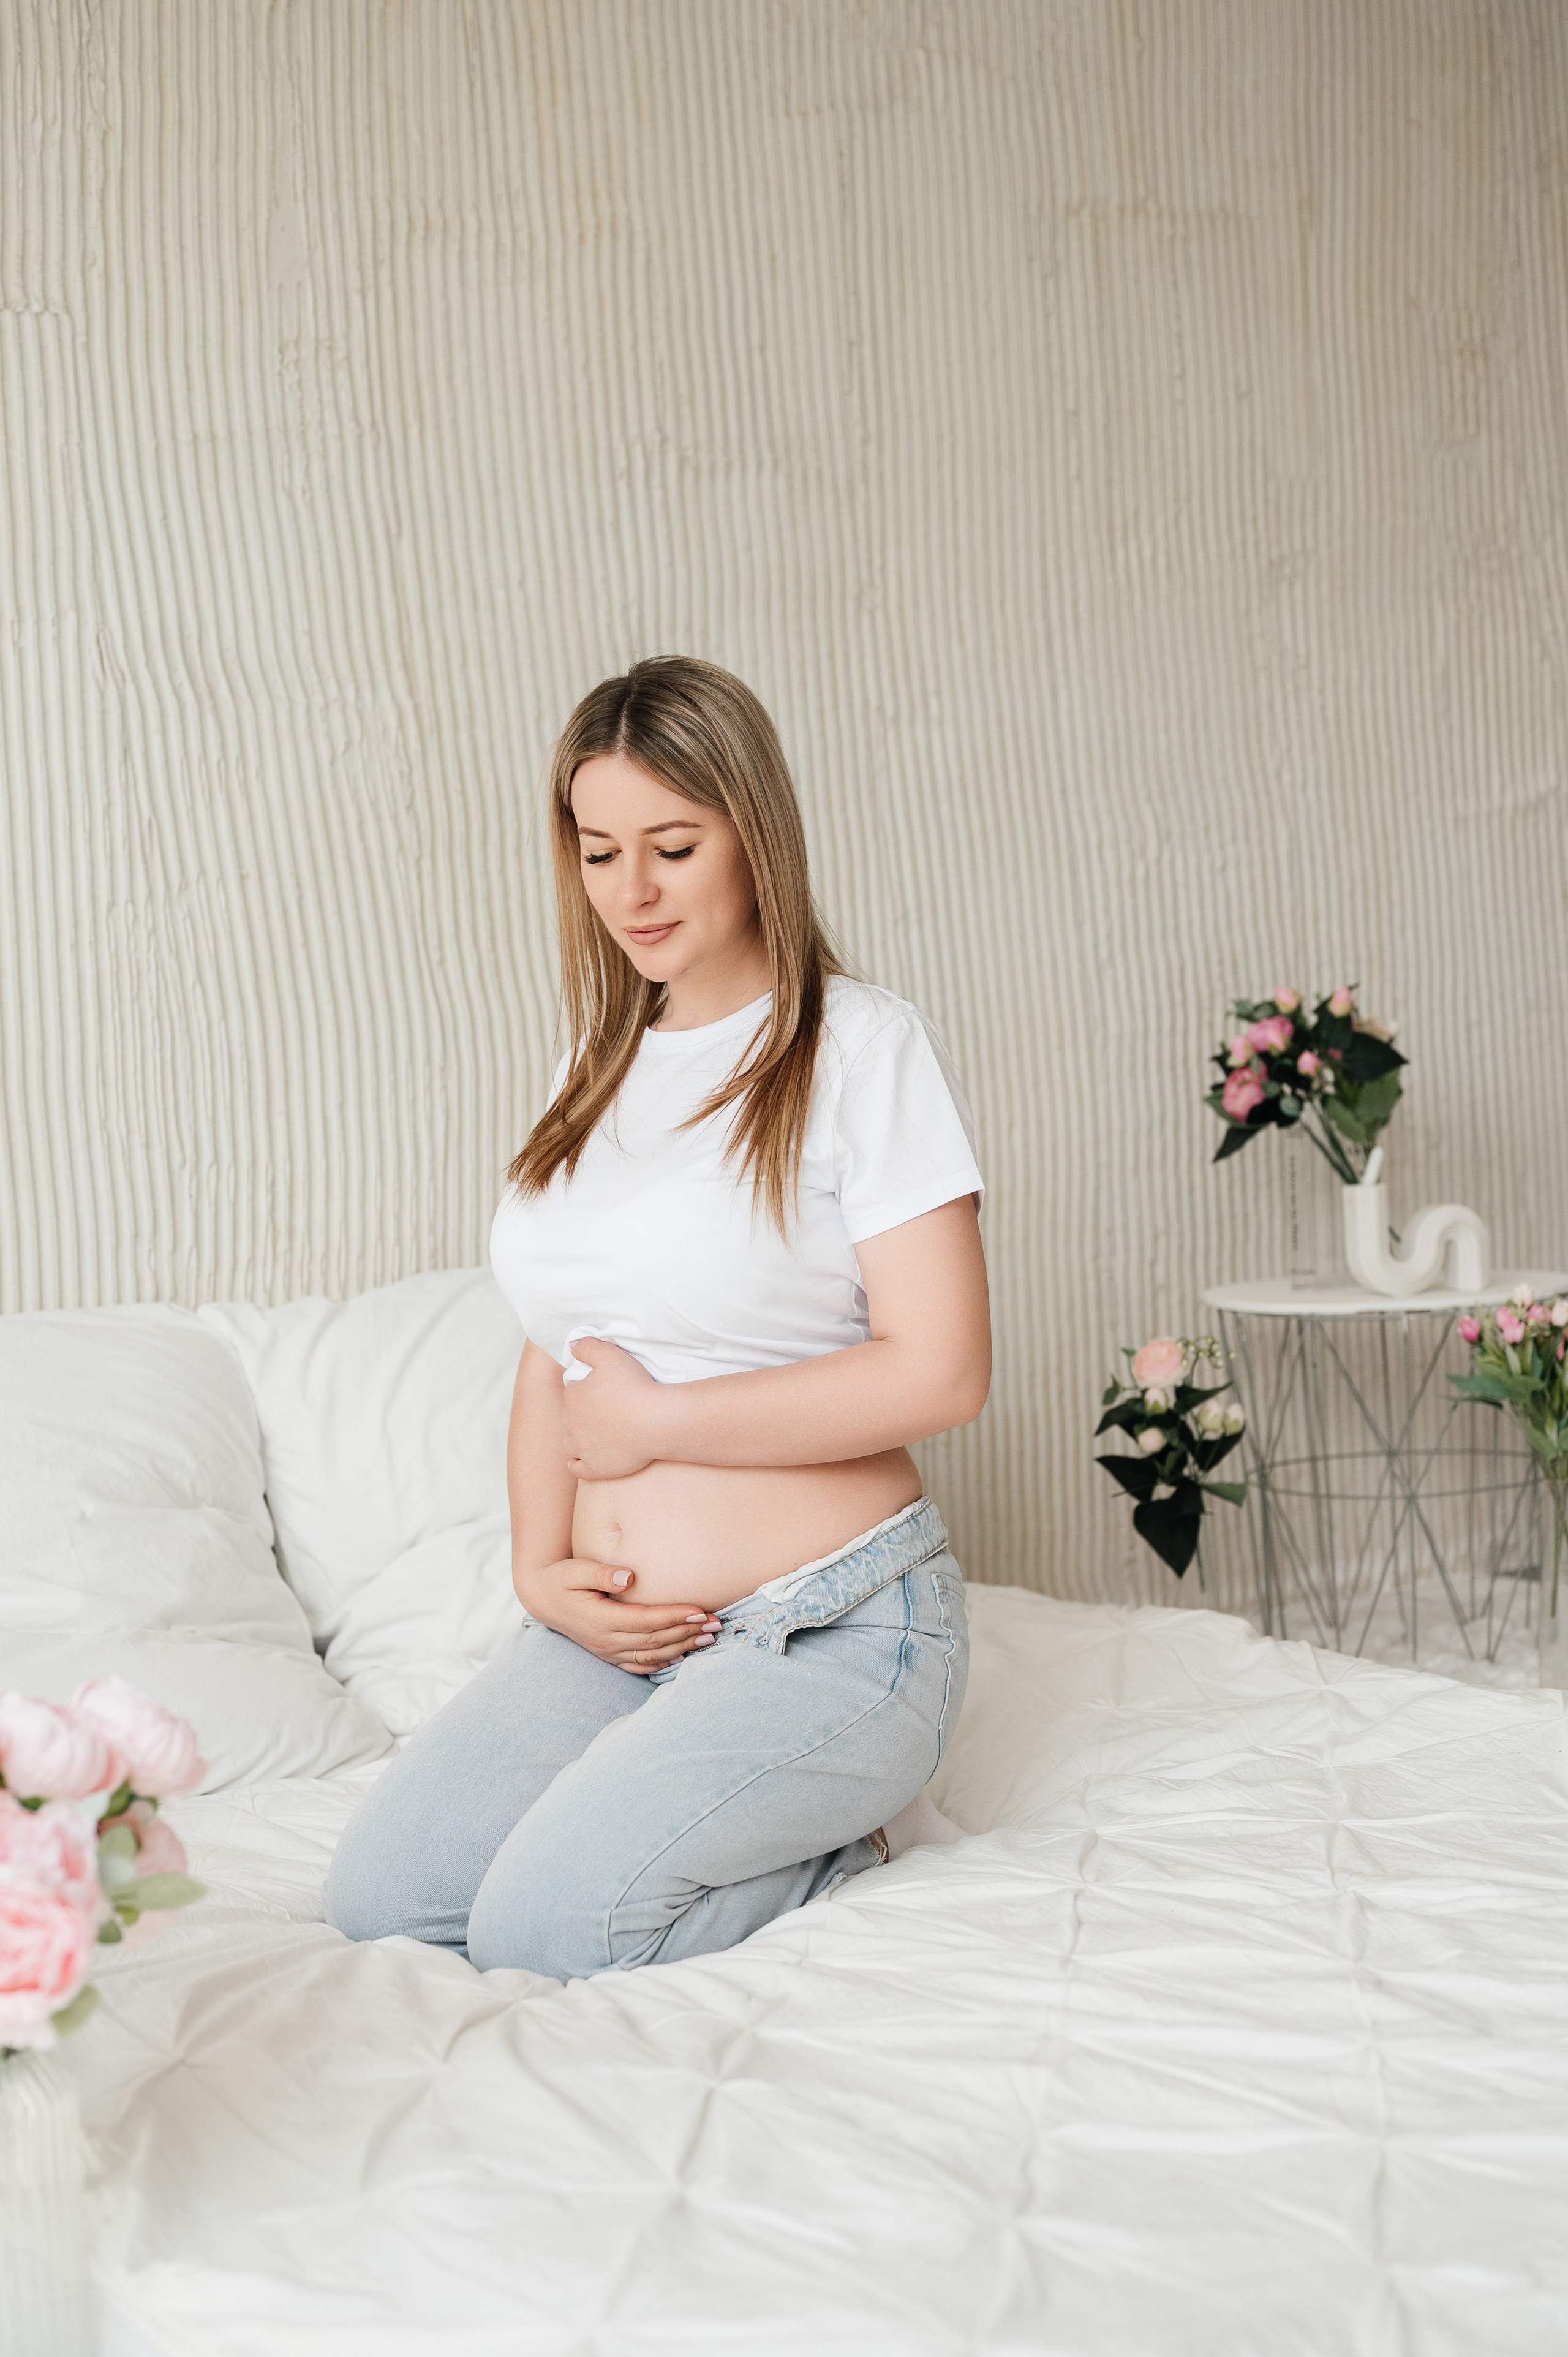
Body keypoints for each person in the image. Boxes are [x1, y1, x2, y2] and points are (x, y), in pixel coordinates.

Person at [325, 657, 990, 1980]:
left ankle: (846, 1840)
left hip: (831, 1623)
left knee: (548, 1927)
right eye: (597, 851)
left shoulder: (856, 1048)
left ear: (752, 831)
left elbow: (943, 1370)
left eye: (672, 847)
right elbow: (551, 1337)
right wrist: (538, 1568)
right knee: (384, 1899)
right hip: (621, 1641)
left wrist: (662, 1422)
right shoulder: (600, 1063)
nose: (631, 891)